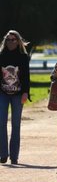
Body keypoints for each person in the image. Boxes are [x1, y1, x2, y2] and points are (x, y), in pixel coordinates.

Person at [0, 30, 30, 165]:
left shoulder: (23, 57)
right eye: (8, 40)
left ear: (18, 41)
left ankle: (14, 156)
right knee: (1, 124)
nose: (11, 42)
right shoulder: (1, 55)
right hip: (2, 93)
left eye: (13, 40)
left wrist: (26, 92)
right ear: (5, 41)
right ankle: (3, 154)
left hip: (18, 94)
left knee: (16, 125)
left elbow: (26, 77)